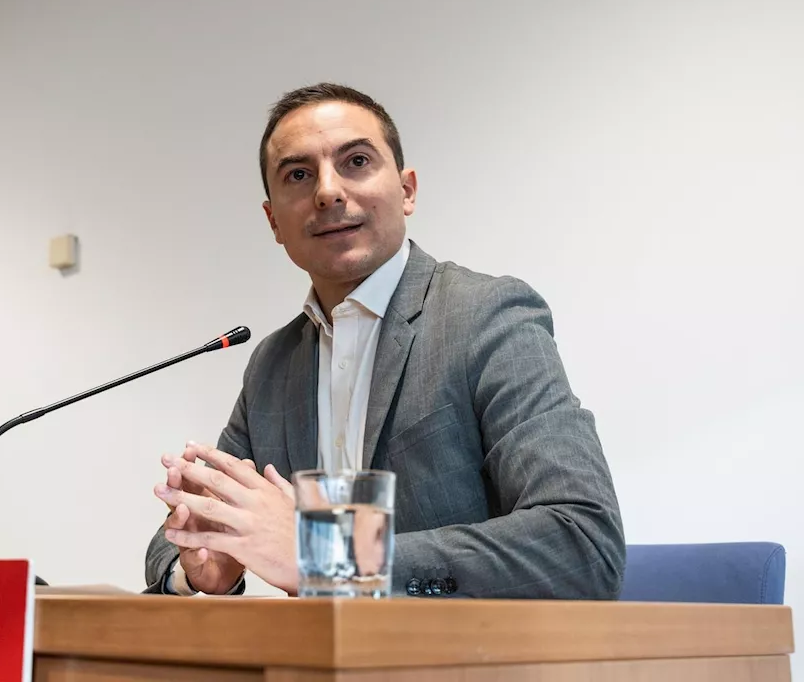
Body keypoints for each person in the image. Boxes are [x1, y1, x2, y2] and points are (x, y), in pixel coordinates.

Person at [145, 83, 625, 599]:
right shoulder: (273, 363)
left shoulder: (485, 315)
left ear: (407, 190)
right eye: (299, 175)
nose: (327, 191)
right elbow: (178, 537)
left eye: (355, 161)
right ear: (273, 222)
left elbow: (581, 542)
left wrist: (325, 553)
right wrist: (202, 561)